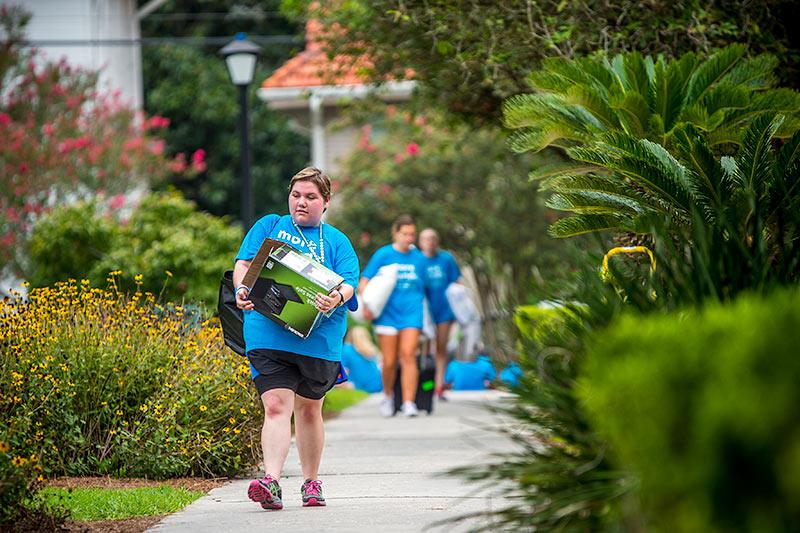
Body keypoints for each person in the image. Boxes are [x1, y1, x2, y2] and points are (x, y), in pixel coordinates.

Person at [232, 167, 359, 511]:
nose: (301, 203)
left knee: (308, 410)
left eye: (310, 197)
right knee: (275, 406)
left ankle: (310, 482)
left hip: (318, 341)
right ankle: (270, 481)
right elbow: (244, 264)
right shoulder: (269, 227)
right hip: (267, 333)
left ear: (326, 201)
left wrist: (337, 297)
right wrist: (242, 288)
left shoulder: (336, 240)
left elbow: (350, 281)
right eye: (296, 195)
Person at [359, 214, 427, 417]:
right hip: (387, 315)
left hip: (411, 314)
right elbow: (364, 283)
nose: (409, 238)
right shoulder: (384, 255)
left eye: (412, 234)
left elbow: (428, 290)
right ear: (395, 233)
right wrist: (367, 306)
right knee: (389, 360)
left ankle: (408, 403)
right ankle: (388, 396)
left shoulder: (420, 259)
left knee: (408, 355)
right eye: (405, 234)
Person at [418, 228, 462, 400]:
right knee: (423, 348)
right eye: (426, 238)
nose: (430, 241)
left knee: (441, 348)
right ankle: (423, 386)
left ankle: (438, 386)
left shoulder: (446, 259)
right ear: (421, 242)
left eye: (433, 238)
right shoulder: (417, 260)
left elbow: (456, 282)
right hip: (424, 311)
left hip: (444, 310)